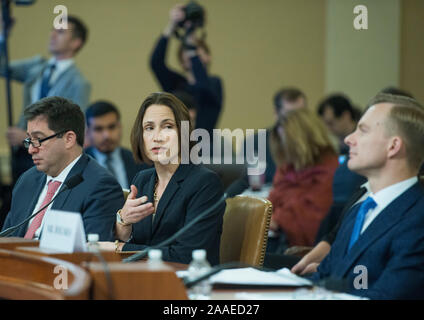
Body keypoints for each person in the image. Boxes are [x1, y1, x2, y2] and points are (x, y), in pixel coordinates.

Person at [291, 92, 424, 277]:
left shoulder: (418, 219)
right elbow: (324, 275)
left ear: (393, 146)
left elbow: (387, 294)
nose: (348, 139)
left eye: (363, 130)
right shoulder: (360, 209)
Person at [98, 92, 225, 265]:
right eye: (149, 128)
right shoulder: (142, 180)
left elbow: (186, 255)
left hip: (186, 283)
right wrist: (124, 221)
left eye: (167, 127)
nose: (157, 137)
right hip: (144, 278)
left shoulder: (205, 183)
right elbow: (133, 239)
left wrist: (120, 249)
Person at [1, 97, 124, 241]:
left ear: (69, 139)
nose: (31, 150)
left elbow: (94, 253)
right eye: (29, 140)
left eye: (38, 140)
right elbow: (6, 240)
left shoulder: (100, 186)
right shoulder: (27, 180)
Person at [0, 15, 91, 183]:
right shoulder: (37, 67)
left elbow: (73, 126)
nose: (53, 35)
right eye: (53, 30)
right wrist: (2, 35)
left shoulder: (79, 83)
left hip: (49, 155)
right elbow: (2, 67)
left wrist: (29, 138)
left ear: (76, 42)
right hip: (21, 151)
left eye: (61, 32)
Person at [267, 108, 338, 253]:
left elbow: (313, 222)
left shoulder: (330, 171)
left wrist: (278, 220)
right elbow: (272, 202)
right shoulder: (287, 168)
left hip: (304, 252)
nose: (283, 147)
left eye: (287, 141)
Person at [150, 4, 223, 138]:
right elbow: (156, 63)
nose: (193, 54)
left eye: (197, 51)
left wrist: (190, 43)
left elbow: (201, 87)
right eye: (189, 52)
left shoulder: (214, 84)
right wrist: (171, 26)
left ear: (208, 57)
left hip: (205, 149)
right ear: (182, 61)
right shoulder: (177, 84)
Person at [84, 101, 150, 189]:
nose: (106, 135)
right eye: (98, 129)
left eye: (111, 127)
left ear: (120, 127)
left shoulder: (141, 161)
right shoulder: (79, 165)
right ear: (88, 132)